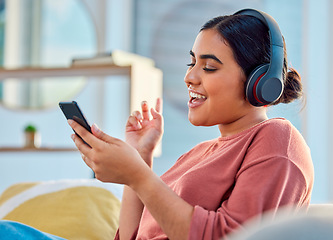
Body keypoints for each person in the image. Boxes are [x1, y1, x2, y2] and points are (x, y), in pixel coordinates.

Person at [68, 8, 314, 240]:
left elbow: (233, 236)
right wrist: (140, 157)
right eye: (191, 63)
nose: (189, 77)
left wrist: (138, 175)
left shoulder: (278, 140)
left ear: (260, 82)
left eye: (208, 67)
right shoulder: (197, 154)